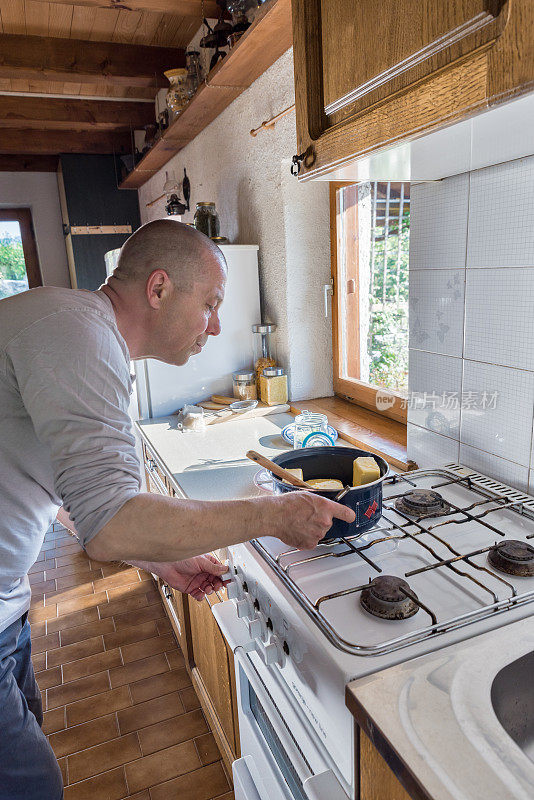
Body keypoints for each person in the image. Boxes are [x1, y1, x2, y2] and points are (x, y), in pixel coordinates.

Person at [0, 219, 354, 798]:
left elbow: (74, 500)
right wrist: (275, 515)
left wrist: (159, 559)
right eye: (210, 305)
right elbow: (111, 524)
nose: (214, 328)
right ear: (159, 289)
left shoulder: (71, 325)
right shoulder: (79, 336)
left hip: (8, 608)